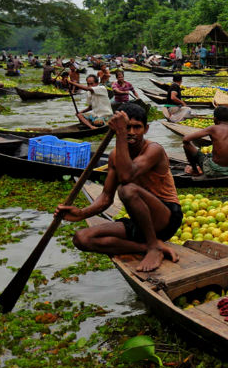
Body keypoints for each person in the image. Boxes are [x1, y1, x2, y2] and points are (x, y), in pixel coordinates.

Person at [55, 103, 183, 272]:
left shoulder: (154, 150)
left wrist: (121, 133)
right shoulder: (116, 155)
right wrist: (82, 213)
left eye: (137, 127)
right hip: (140, 221)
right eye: (127, 127)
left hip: (165, 218)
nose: (131, 132)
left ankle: (153, 245)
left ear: (146, 129)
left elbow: (127, 176)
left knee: (126, 189)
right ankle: (148, 247)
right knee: (82, 238)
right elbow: (106, 197)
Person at [182, 106, 228, 177]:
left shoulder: (213, 128)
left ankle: (195, 171)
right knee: (209, 155)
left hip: (214, 170)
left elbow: (185, 139)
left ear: (215, 119)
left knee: (186, 145)